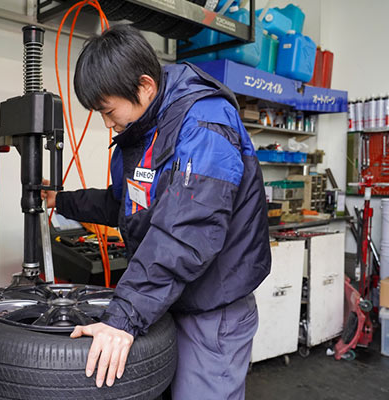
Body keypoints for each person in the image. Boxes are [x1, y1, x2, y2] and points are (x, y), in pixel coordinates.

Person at [43, 24, 271, 400]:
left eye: (108, 109)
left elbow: (186, 230)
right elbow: (124, 203)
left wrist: (123, 318)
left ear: (145, 86)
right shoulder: (142, 132)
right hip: (168, 300)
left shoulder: (203, 124)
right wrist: (62, 201)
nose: (106, 122)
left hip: (213, 314)